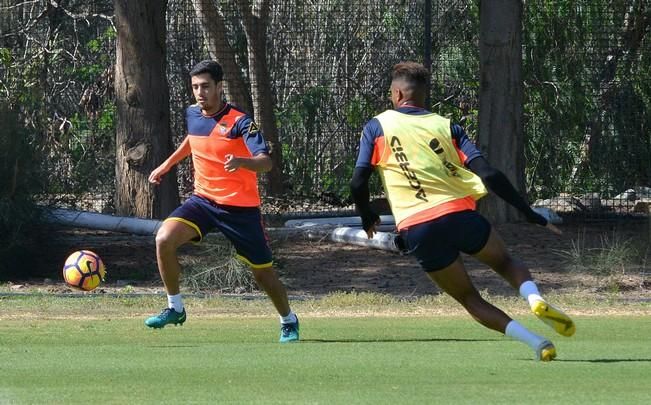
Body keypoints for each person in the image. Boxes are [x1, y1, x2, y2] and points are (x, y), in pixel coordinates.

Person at [350, 61, 575, 361]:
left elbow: (358, 180)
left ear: (398, 93)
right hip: (460, 216)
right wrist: (528, 211)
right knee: (507, 262)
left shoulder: (377, 126)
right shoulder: (447, 126)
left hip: (419, 228)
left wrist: (366, 215)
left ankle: (537, 343)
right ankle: (534, 298)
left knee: (469, 297)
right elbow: (490, 174)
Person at [145, 60, 299, 343]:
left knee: (263, 275)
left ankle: (288, 320)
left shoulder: (241, 122)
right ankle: (174, 307)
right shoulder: (192, 114)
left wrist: (242, 161)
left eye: (205, 86)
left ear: (219, 87)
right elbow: (193, 140)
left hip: (240, 209)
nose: (199, 92)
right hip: (203, 201)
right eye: (195, 87)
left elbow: (266, 162)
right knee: (163, 238)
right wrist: (167, 164)